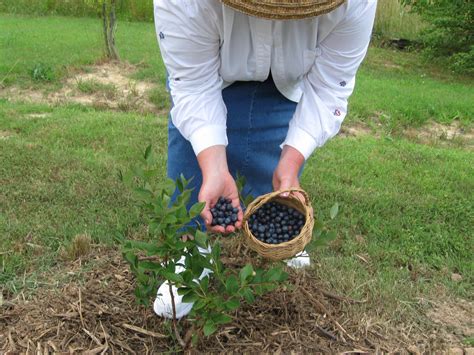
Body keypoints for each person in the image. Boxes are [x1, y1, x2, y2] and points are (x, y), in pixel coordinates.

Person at [153, 0, 377, 319]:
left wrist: (291, 162)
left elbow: (330, 85)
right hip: (210, 68)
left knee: (273, 168)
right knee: (194, 173)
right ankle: (189, 251)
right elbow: (193, 84)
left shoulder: (356, 2)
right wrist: (214, 166)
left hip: (287, 83)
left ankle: (277, 238)